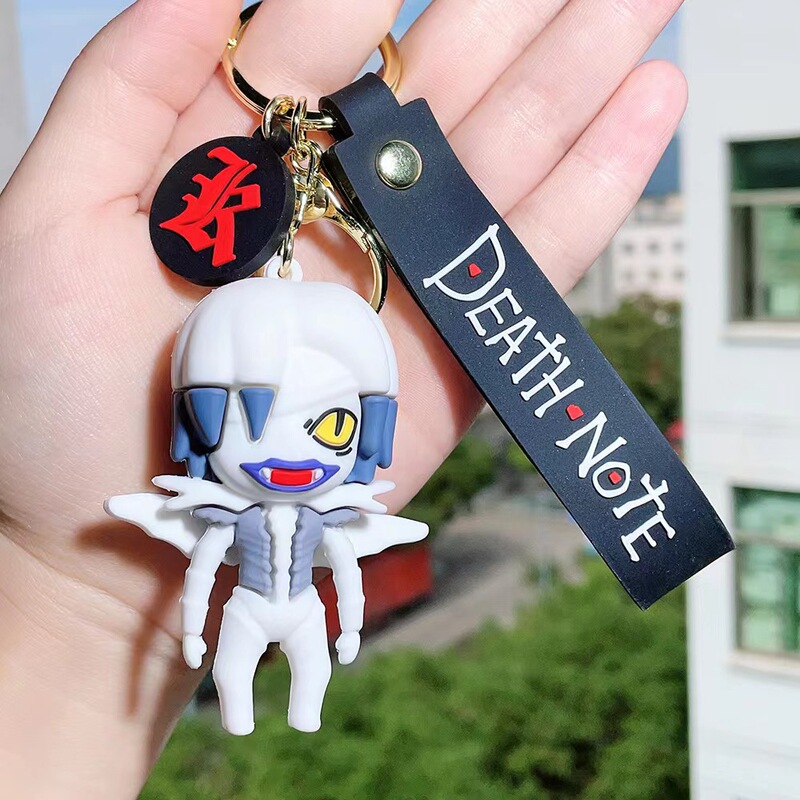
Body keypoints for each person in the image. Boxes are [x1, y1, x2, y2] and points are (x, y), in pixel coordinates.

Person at [0, 0, 686, 797]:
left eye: (332, 425)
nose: (292, 450)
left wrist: (71, 596)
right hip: (239, 612)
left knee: (303, 675)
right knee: (244, 672)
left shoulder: (300, 508)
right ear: (200, 418)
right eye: (252, 416)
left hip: (276, 614)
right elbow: (201, 552)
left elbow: (341, 565)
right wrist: (77, 583)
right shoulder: (224, 506)